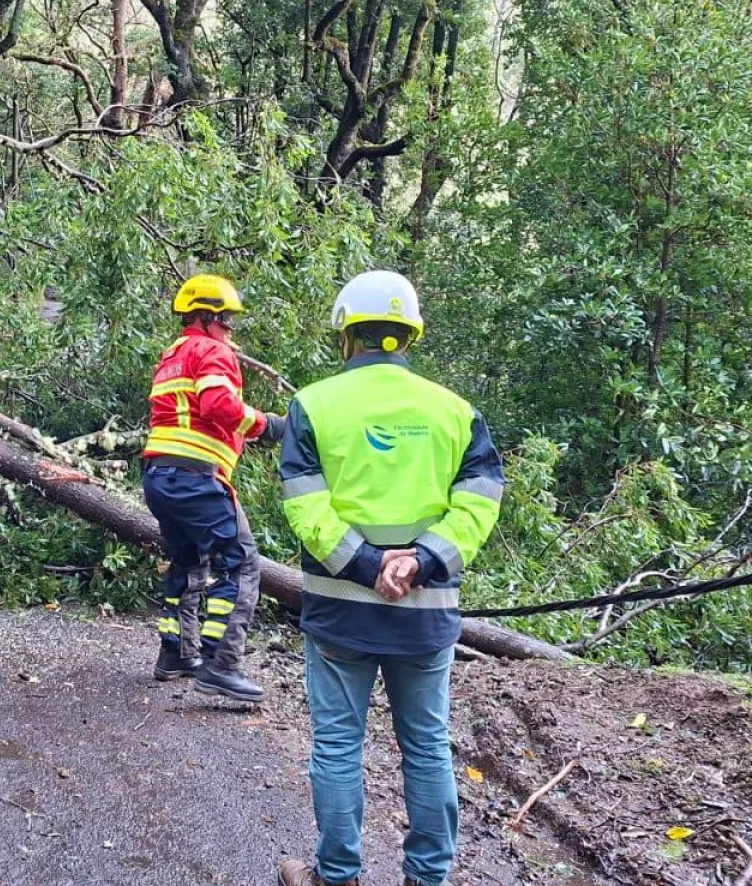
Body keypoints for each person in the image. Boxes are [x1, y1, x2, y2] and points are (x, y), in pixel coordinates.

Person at [276, 271, 505, 886]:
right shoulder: (455, 412)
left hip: (341, 609)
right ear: (409, 335)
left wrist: (366, 565)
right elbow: (480, 501)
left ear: (347, 333)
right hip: (426, 613)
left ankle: (337, 875)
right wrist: (422, 560)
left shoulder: (314, 405)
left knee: (338, 746)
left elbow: (304, 502)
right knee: (428, 746)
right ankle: (428, 878)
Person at [141, 274, 283, 702]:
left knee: (187, 565)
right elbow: (218, 405)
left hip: (160, 477)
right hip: (196, 477)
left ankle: (178, 654)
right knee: (240, 564)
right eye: (226, 320)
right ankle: (222, 663)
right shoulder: (212, 350)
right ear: (205, 317)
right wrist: (268, 424)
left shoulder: (173, 355)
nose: (231, 330)